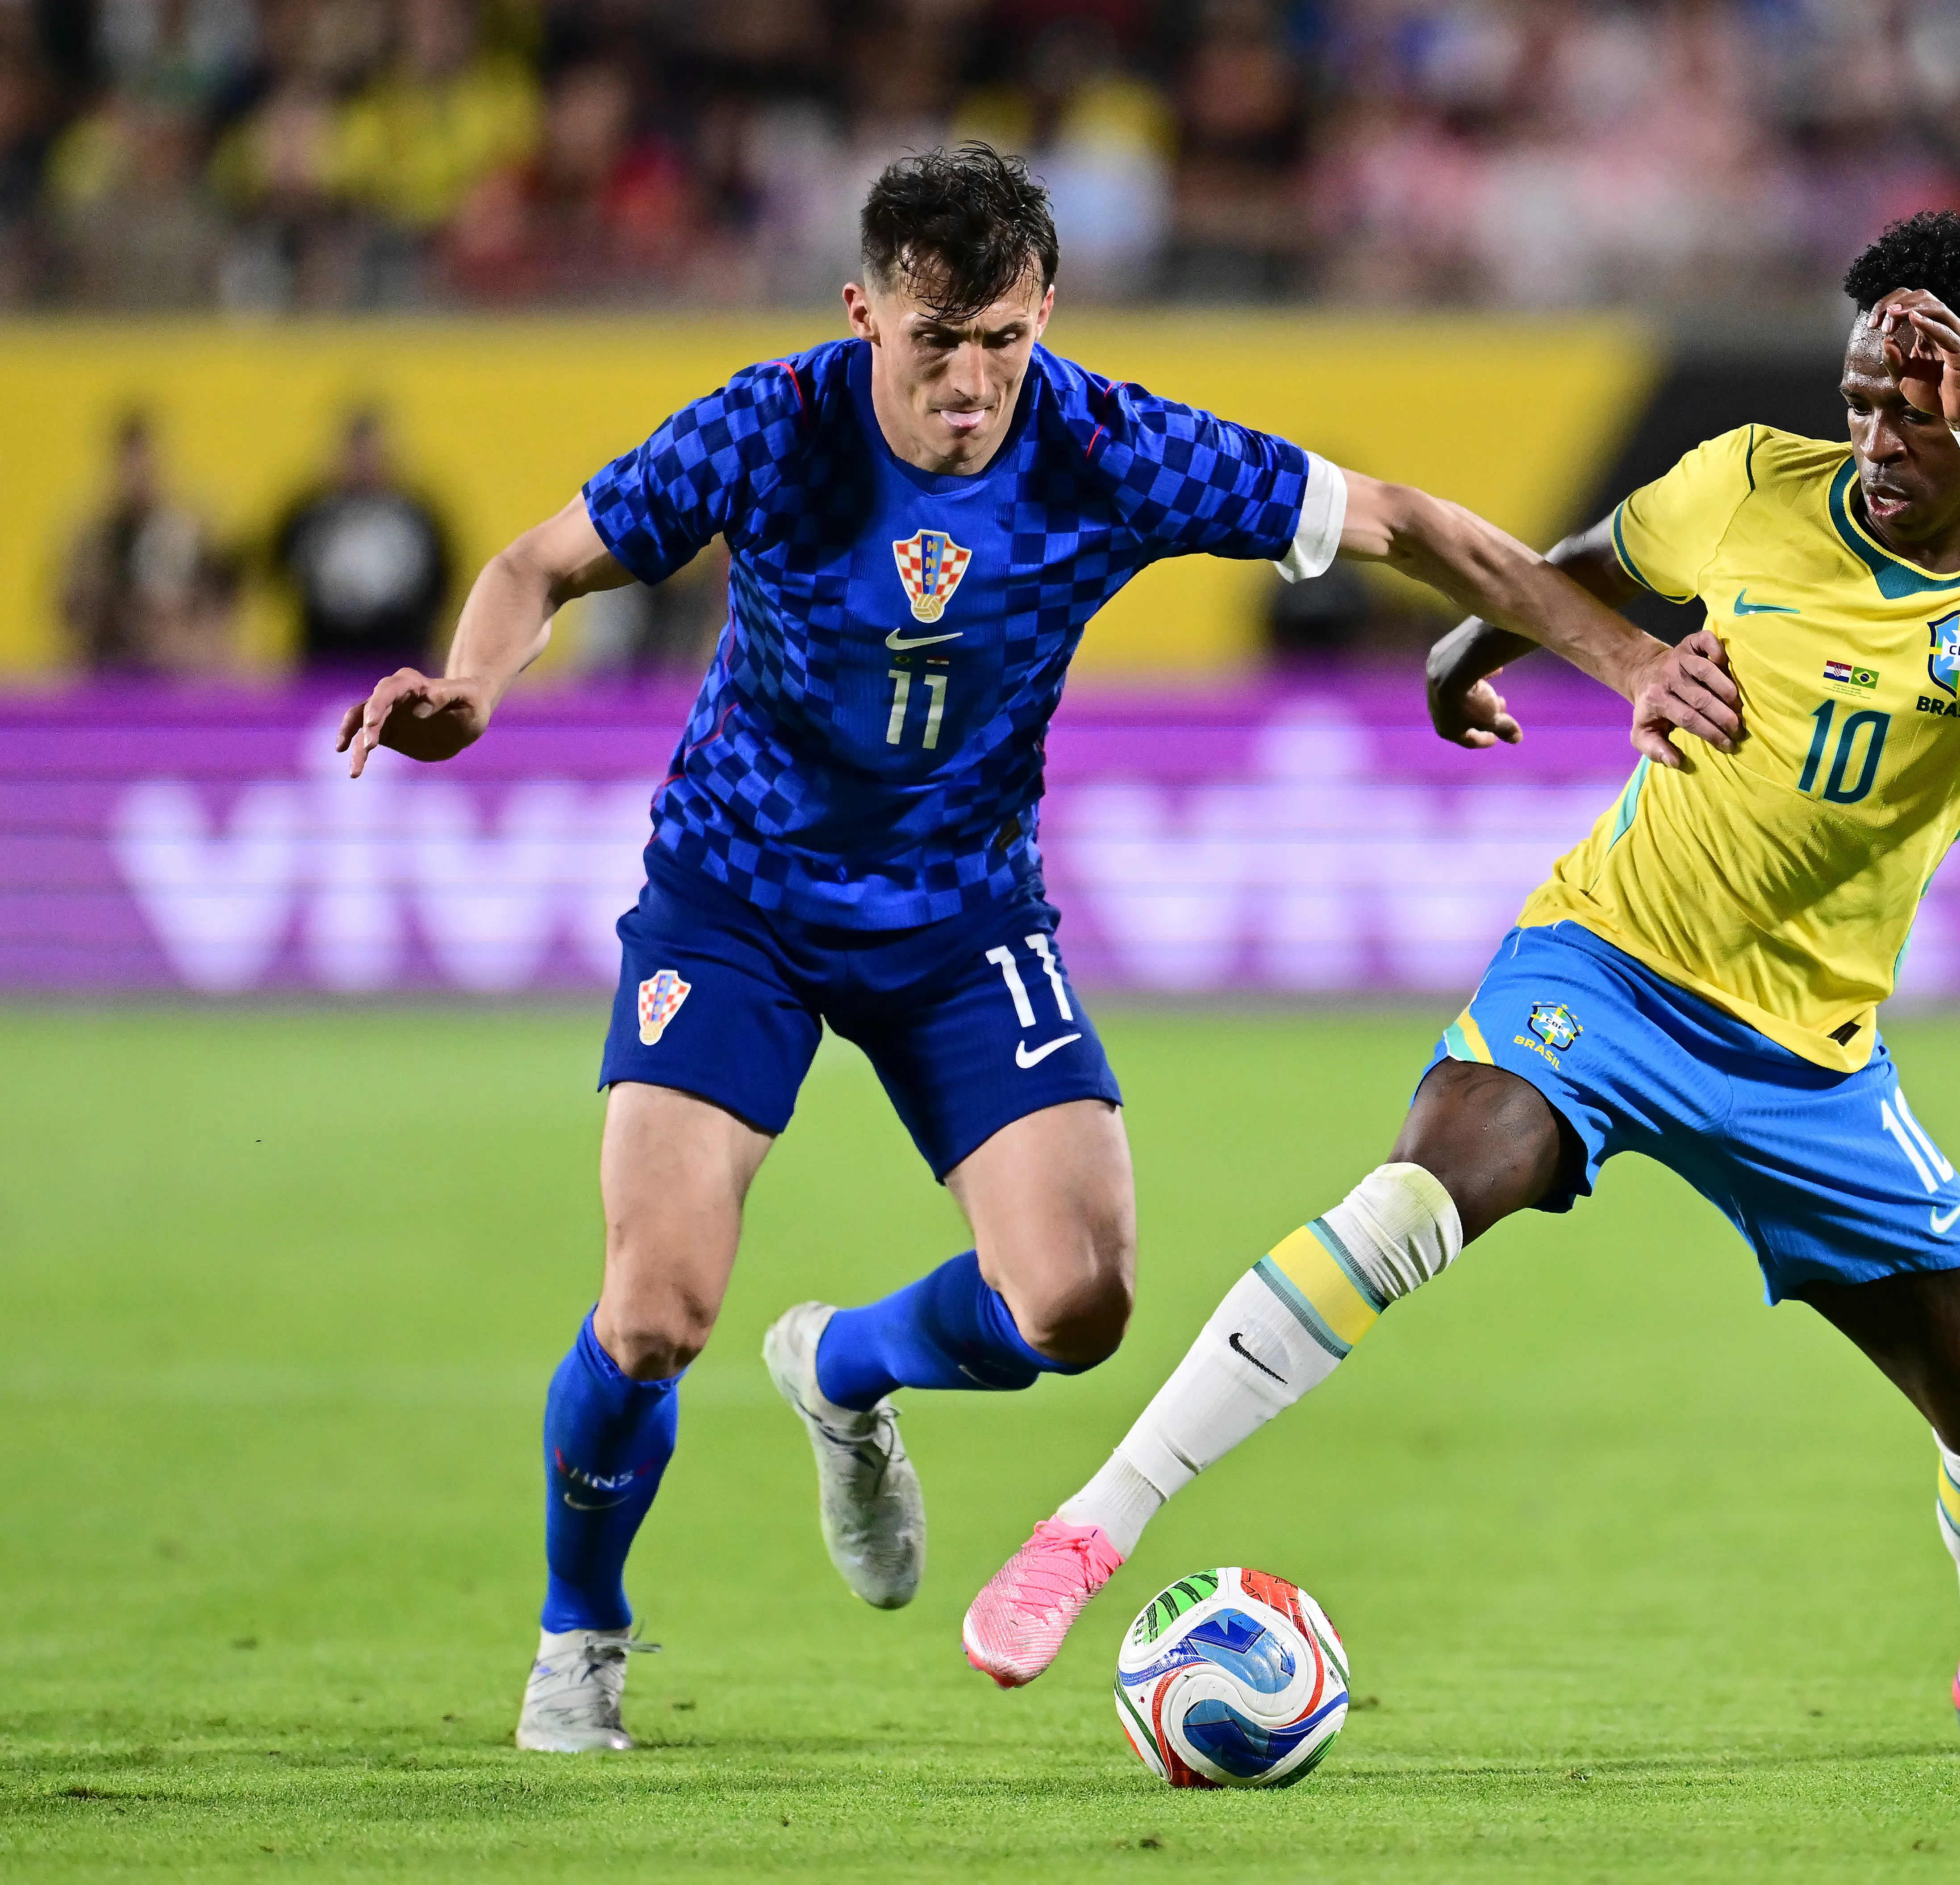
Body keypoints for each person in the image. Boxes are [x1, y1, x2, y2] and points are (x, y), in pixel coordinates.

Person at [333, 143, 1737, 1756]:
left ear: (1045, 313)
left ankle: (846, 1367)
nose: (971, 384)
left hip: (962, 913)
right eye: (936, 343)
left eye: (1003, 341)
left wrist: (1628, 655)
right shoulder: (770, 427)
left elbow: (1403, 521)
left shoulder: (1109, 444)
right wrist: (471, 686)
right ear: (865, 312)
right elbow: (534, 565)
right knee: (654, 1309)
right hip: (739, 897)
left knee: (1078, 1299)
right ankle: (580, 1632)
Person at [963, 210, 1960, 1760]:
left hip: (1810, 1057)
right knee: (1418, 1196)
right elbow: (1583, 568)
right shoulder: (1747, 484)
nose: (1876, 430)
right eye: (1862, 392)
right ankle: (1091, 1525)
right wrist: (1470, 650)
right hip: (1613, 962)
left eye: (1916, 400)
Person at [59, 410, 238, 675]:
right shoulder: (96, 539)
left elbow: (218, 609)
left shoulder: (188, 531)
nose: (138, 476)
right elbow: (72, 616)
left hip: (176, 672)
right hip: (111, 671)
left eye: (145, 463)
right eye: (130, 465)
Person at [271, 408, 453, 669]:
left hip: (400, 655)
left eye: (373, 455)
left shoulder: (418, 518)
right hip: (323, 656)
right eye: (356, 455)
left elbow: (443, 582)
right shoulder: (311, 516)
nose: (364, 465)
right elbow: (278, 571)